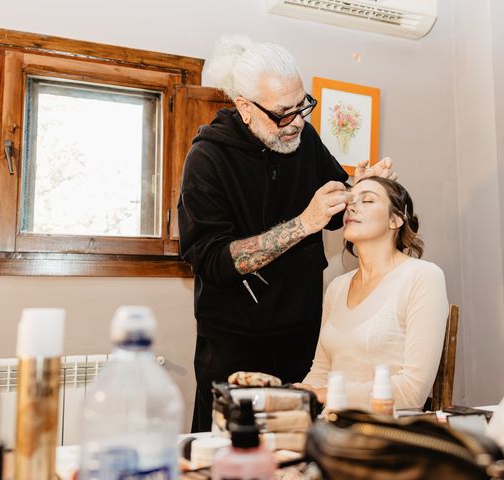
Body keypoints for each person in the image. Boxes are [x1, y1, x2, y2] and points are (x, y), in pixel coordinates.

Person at [177, 36, 394, 431]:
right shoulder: (207, 159)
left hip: (303, 337)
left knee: (302, 448)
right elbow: (212, 261)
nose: (297, 121)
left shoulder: (303, 138)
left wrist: (356, 188)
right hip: (234, 345)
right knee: (231, 453)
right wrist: (302, 224)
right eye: (282, 113)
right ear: (244, 106)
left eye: (303, 106)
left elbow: (331, 205)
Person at [296, 176, 449, 410]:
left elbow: (412, 391)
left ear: (395, 220)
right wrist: (295, 401)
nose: (352, 206)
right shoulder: (337, 287)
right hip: (330, 428)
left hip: (386, 431)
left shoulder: (422, 277)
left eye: (367, 200)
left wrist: (326, 394)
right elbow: (320, 372)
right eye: (350, 201)